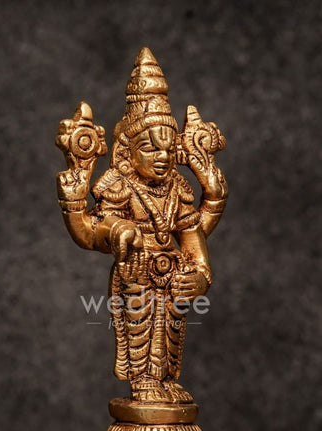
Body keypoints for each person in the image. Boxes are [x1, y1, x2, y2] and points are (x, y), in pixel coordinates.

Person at [56, 48, 228, 405]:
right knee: (141, 324)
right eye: (150, 148)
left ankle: (164, 378)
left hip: (172, 274)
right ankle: (143, 381)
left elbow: (193, 238)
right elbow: (92, 231)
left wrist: (200, 276)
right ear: (126, 150)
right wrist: (107, 225)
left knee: (171, 329)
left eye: (168, 149)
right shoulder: (119, 185)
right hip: (136, 272)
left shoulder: (178, 188)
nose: (162, 157)